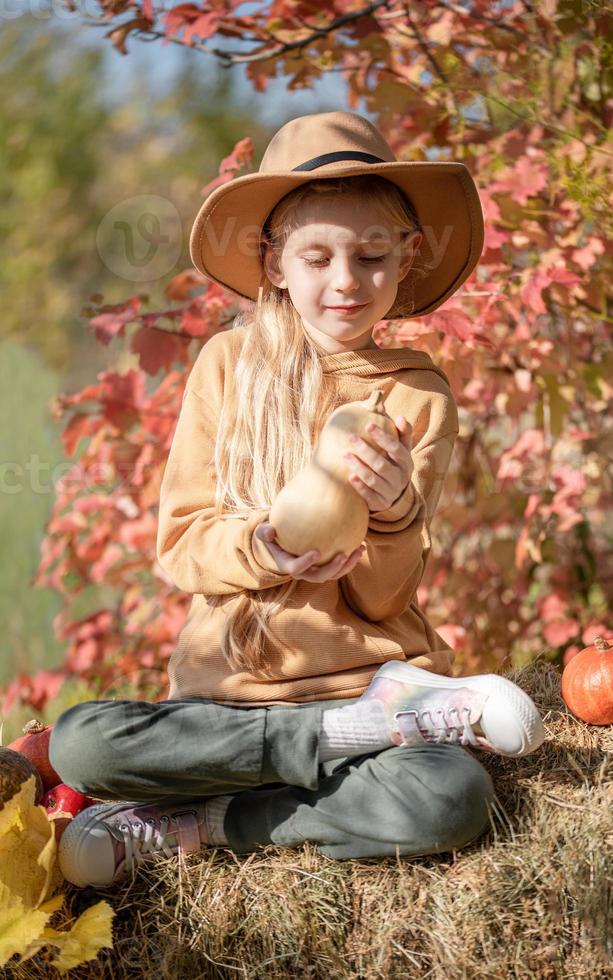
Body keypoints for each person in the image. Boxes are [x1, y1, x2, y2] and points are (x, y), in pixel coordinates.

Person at [52, 111, 545, 889]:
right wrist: (262, 547)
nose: (345, 281)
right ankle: (316, 750)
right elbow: (182, 546)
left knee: (450, 797)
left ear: (407, 256)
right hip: (228, 705)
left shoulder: (415, 394)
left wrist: (391, 513)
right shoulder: (228, 365)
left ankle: (213, 822)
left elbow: (386, 598)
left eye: (372, 255)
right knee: (82, 743)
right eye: (317, 257)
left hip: (369, 691)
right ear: (274, 262)